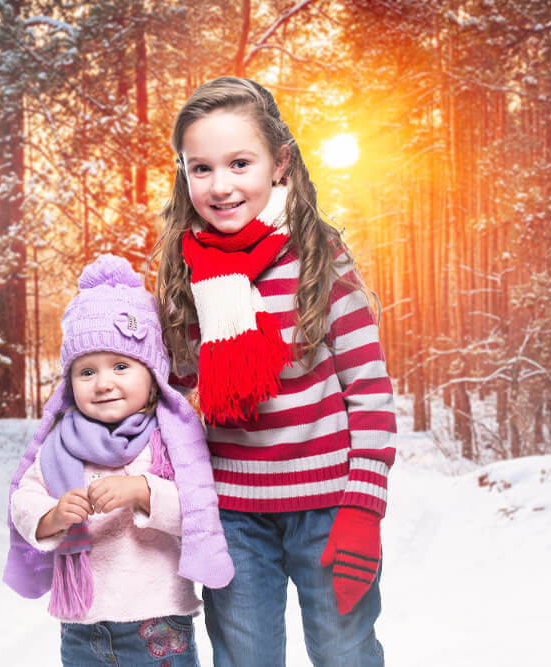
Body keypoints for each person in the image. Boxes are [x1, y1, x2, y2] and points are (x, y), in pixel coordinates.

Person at [154, 76, 397, 666]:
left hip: (329, 505)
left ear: (279, 163)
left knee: (346, 652)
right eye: (201, 168)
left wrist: (363, 506)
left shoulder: (318, 259)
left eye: (240, 163)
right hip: (232, 512)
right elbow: (177, 403)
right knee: (245, 657)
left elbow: (368, 391)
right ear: (185, 174)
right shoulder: (184, 273)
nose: (221, 185)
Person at [4, 254, 234, 666]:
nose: (104, 383)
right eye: (86, 372)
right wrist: (51, 516)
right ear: (69, 382)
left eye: (121, 366)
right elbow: (24, 495)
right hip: (83, 624)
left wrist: (144, 491)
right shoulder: (61, 442)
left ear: (152, 375)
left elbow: (200, 511)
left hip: (158, 619)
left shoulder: (168, 440)